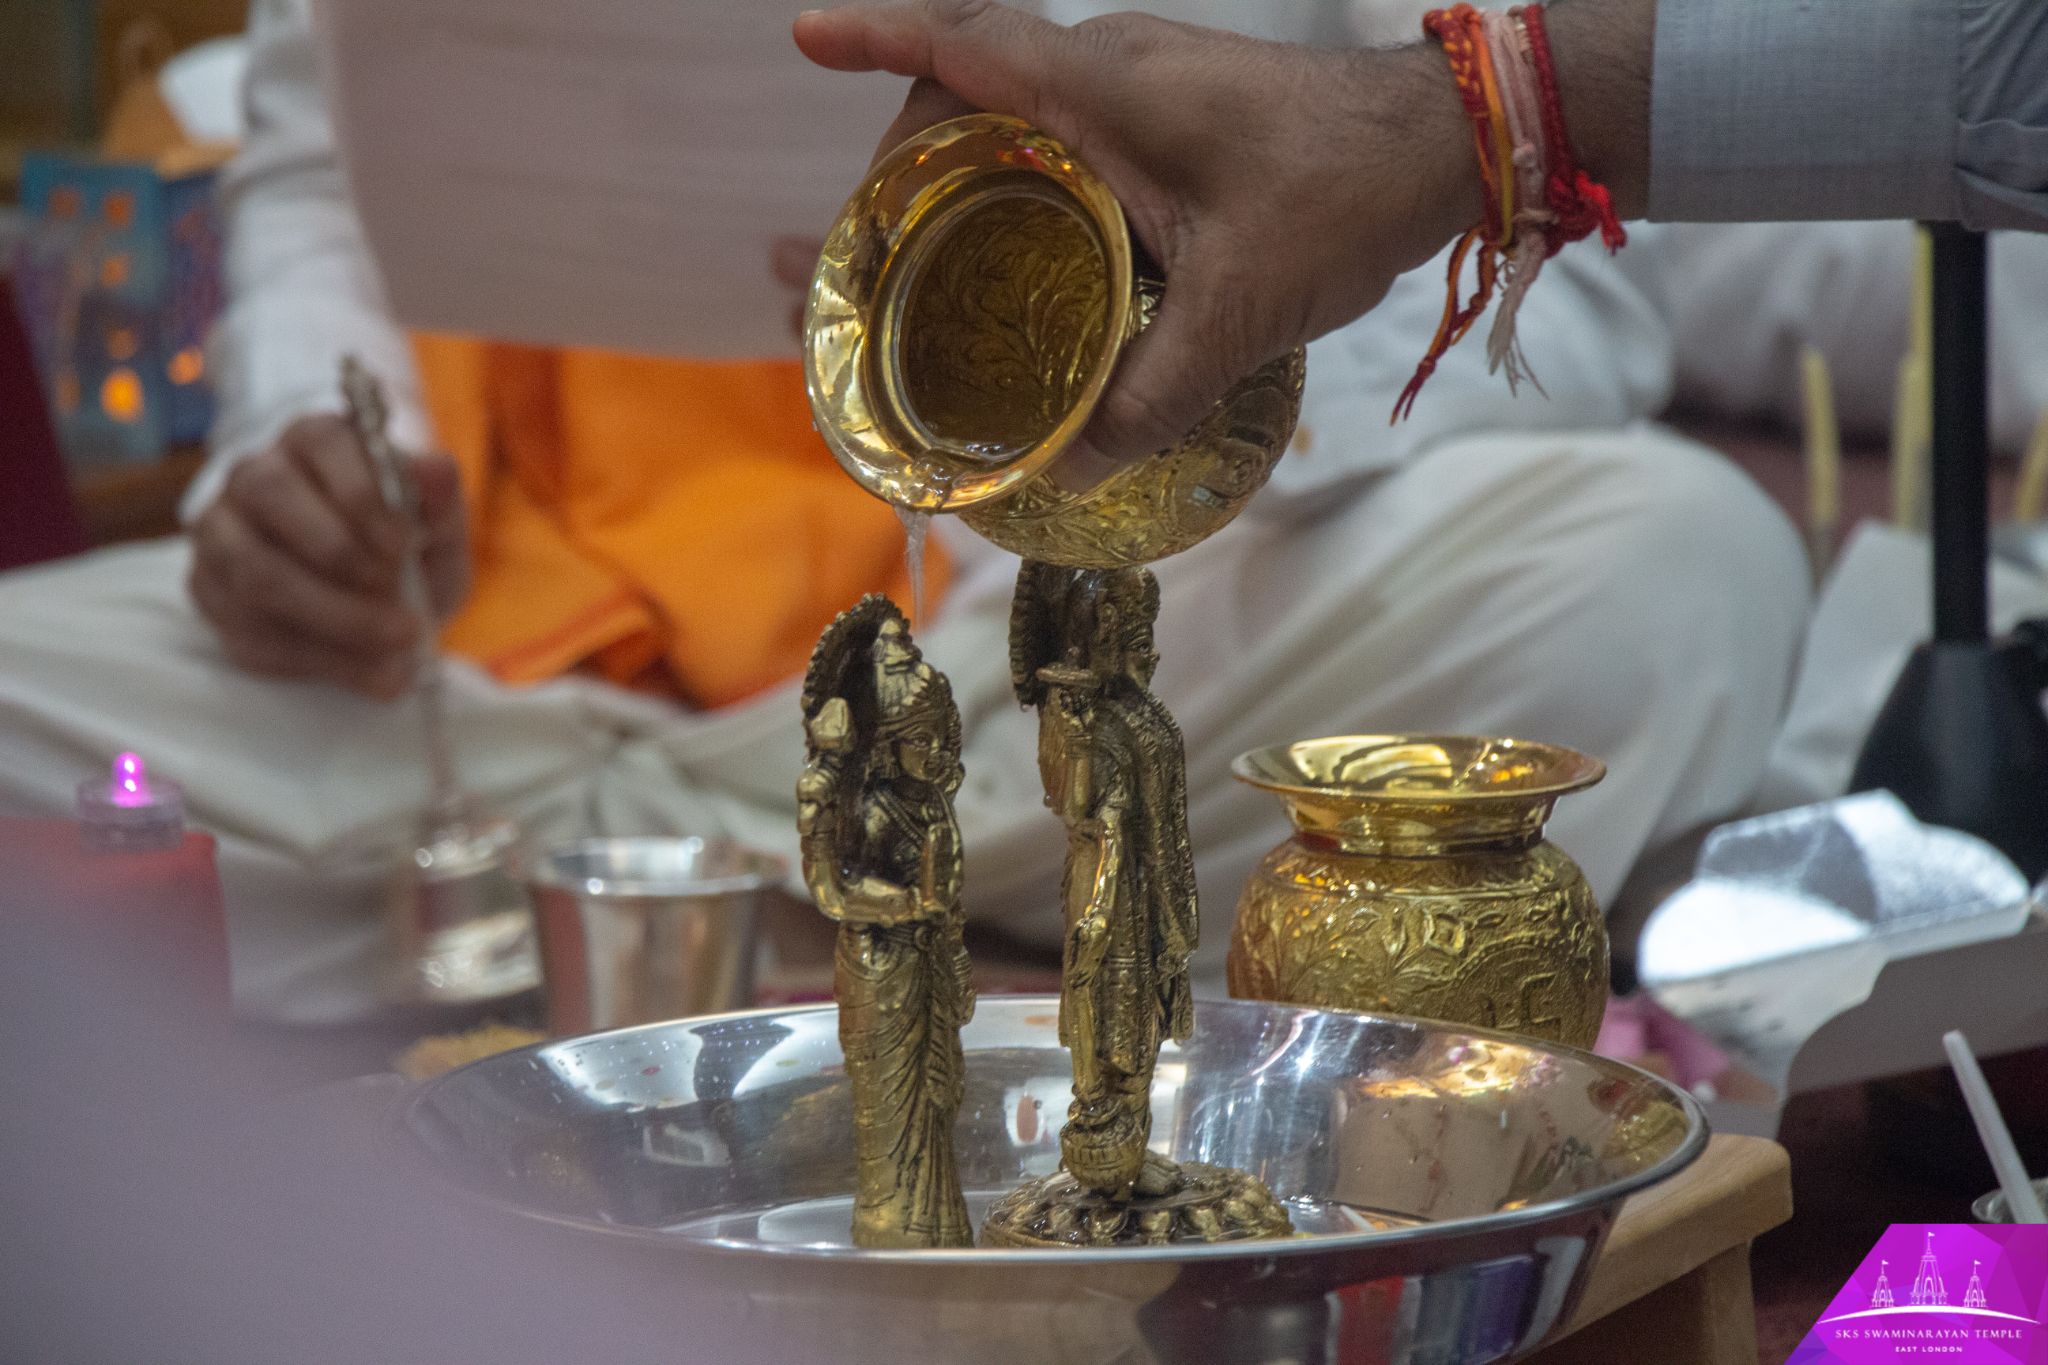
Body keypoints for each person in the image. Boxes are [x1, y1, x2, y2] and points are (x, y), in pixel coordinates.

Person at [0, 0, 1813, 1024]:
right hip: (469, 697)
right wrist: (307, 475)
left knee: (1667, 564)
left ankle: (660, 909)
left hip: (1031, 668)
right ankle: (950, 926)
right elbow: (331, 165)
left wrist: (1124, 343)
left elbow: (1567, 298)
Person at [792, 0, 2048, 476]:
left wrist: (1469, 122)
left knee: (1677, 548)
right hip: (1185, 532)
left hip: (1353, 473)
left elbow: (1639, 298)